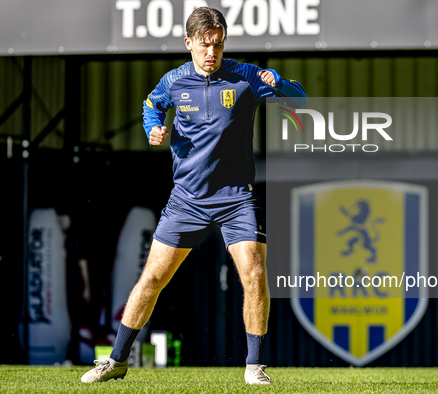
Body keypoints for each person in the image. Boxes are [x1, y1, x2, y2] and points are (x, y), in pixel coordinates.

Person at [81, 6, 306, 385]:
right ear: (189, 44)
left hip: (236, 197)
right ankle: (116, 361)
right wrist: (153, 127)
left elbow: (298, 99)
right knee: (152, 278)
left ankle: (254, 366)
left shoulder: (246, 76)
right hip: (187, 199)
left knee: (254, 271)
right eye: (204, 45)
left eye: (218, 45)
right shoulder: (173, 81)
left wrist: (279, 82)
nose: (211, 53)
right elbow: (151, 105)